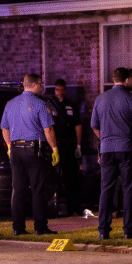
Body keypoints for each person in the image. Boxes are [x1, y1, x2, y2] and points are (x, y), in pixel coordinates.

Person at [91, 67, 132, 240]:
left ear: (113, 78)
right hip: (127, 148)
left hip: (107, 149)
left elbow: (94, 125)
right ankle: (128, 230)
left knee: (106, 190)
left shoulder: (100, 99)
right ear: (126, 80)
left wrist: (106, 139)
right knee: (129, 189)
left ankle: (103, 230)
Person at [1, 73, 61, 236]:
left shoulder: (10, 104)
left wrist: (8, 146)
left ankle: (18, 227)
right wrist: (55, 149)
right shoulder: (40, 104)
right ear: (34, 85)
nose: (42, 87)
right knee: (38, 189)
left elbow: (4, 128)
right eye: (41, 84)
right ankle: (40, 227)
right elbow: (48, 129)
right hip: (34, 150)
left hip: (15, 150)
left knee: (18, 190)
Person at [50, 79, 84, 215]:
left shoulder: (71, 105)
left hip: (69, 145)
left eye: (62, 89)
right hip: (55, 145)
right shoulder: (49, 105)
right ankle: (53, 209)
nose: (60, 92)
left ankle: (72, 208)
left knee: (71, 177)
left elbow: (78, 125)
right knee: (54, 178)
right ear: (54, 90)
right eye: (58, 90)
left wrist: (78, 145)